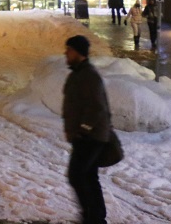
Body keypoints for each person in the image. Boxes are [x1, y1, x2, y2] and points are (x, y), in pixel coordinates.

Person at [62, 34, 112, 224]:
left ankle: (92, 218)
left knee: (77, 175)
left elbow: (97, 107)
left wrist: (83, 129)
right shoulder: (79, 73)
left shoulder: (88, 75)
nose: (66, 53)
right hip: (86, 136)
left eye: (69, 50)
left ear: (78, 52)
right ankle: (95, 217)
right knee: (89, 176)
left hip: (90, 137)